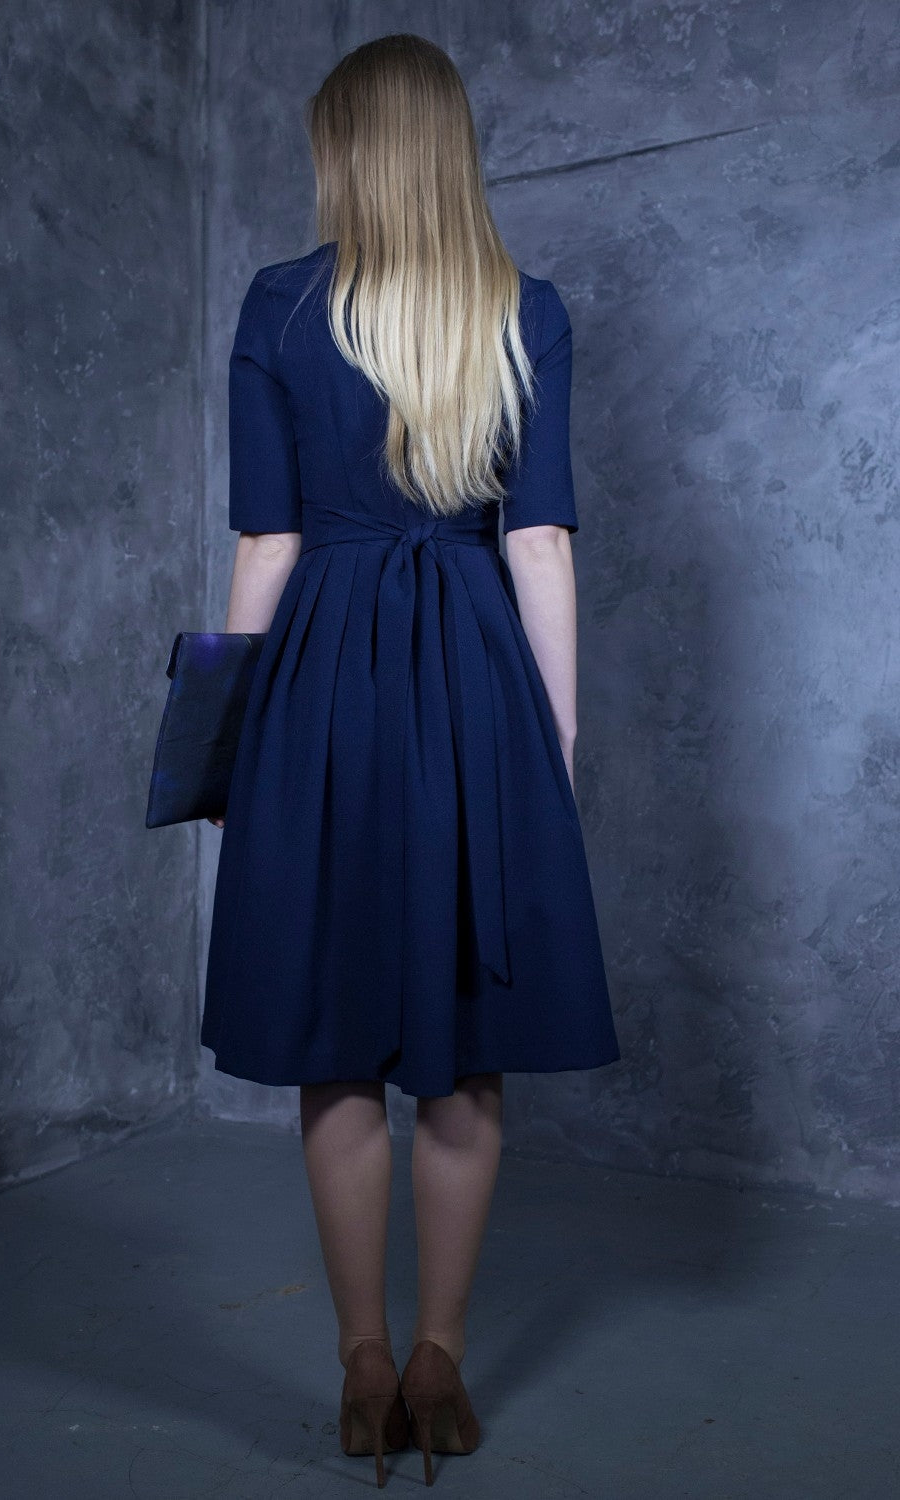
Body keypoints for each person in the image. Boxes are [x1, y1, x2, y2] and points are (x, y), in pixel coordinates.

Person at [200, 32, 621, 1489]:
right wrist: (554, 738)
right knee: (462, 1051)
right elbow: (540, 540)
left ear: (348, 153)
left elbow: (268, 543)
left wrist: (221, 729)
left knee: (335, 1049)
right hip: (474, 678)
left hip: (319, 678)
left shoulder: (277, 302)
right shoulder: (526, 310)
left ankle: (364, 1364)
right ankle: (441, 1358)